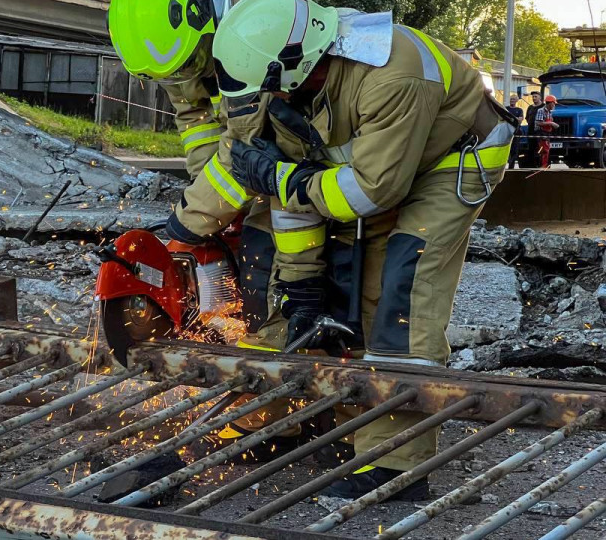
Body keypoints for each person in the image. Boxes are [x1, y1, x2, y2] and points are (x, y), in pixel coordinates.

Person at [210, 0, 517, 499]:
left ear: (296, 63)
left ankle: (396, 465)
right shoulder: (296, 81)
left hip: (450, 162)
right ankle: (328, 424)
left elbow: (371, 191)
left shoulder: (393, 74)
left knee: (403, 288)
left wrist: (286, 179)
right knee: (343, 286)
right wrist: (303, 283)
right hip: (387, 167)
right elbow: (297, 191)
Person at [108, 0, 318, 450]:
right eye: (167, 75)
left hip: (301, 157)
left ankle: (273, 415)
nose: (180, 79)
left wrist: (192, 220)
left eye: (186, 67)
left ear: (207, 26)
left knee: (276, 279)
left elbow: (245, 145)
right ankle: (284, 399)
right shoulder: (171, 51)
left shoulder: (254, 31)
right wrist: (214, 208)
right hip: (255, 158)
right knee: (252, 262)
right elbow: (197, 123)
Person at [535, 95, 559, 168]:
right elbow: (538, 123)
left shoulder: (549, 112)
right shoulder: (541, 111)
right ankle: (542, 166)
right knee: (543, 150)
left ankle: (546, 165)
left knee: (547, 149)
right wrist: (551, 123)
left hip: (547, 133)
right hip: (541, 132)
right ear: (550, 103)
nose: (554, 105)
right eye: (554, 103)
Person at [524, 91, 543, 167]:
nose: (534, 98)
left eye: (536, 96)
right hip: (530, 132)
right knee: (531, 148)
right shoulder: (530, 107)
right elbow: (527, 118)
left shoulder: (543, 107)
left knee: (540, 148)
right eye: (533, 97)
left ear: (540, 97)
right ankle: (532, 165)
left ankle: (540, 164)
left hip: (540, 132)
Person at [506, 94, 524, 168]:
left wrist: (510, 118)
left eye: (514, 99)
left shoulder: (519, 110)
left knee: (514, 150)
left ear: (516, 101)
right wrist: (515, 118)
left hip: (516, 132)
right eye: (511, 99)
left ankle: (511, 166)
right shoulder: (506, 109)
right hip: (506, 131)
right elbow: (503, 118)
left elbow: (520, 120)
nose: (512, 100)